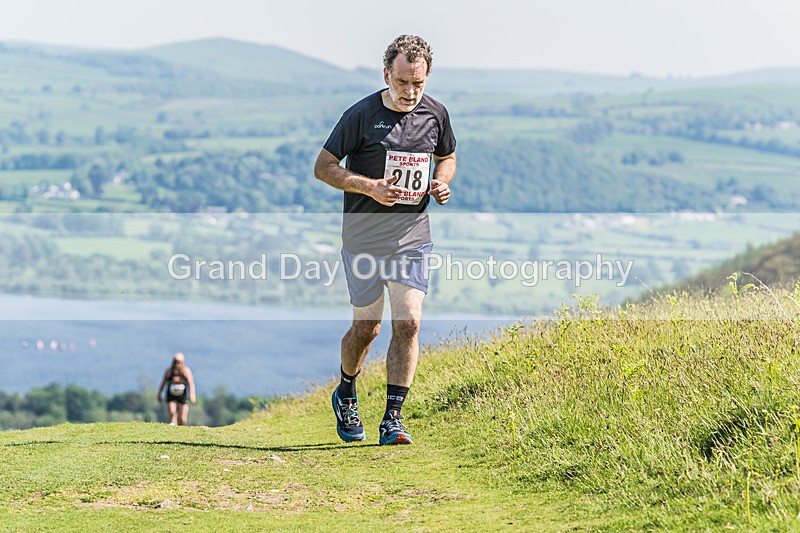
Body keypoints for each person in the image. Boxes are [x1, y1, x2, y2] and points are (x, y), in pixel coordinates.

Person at [314, 35, 457, 445]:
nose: (411, 92)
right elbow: (323, 167)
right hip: (363, 236)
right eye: (402, 82)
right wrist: (370, 187)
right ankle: (346, 391)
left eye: (419, 83)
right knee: (368, 328)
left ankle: (392, 418)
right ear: (386, 74)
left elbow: (447, 156)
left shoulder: (436, 113)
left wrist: (442, 182)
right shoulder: (360, 115)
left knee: (409, 322)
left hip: (411, 235)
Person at [157, 352, 196, 426]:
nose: (178, 364)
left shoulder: (186, 371)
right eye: (176, 362)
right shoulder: (169, 371)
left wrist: (192, 395)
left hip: (182, 396)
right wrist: (159, 394)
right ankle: (173, 429)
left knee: (182, 418)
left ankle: (180, 429)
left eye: (180, 362)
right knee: (172, 412)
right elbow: (163, 383)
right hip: (171, 395)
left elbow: (191, 383)